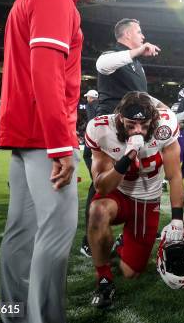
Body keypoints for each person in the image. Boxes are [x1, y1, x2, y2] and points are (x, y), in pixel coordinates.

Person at [0, 0, 111, 323]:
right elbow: (45, 73)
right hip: (43, 136)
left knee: (21, 233)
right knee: (57, 231)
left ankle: (13, 316)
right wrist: (61, 144)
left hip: (23, 132)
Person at [85, 92, 184, 308]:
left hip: (147, 198)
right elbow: (101, 186)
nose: (138, 130)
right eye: (131, 124)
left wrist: (177, 219)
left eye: (144, 124)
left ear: (154, 119)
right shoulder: (100, 128)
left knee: (131, 272)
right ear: (119, 117)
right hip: (117, 192)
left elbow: (175, 175)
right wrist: (128, 156)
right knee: (97, 210)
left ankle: (121, 244)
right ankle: (104, 279)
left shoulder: (165, 125)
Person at [95, 19, 161, 116]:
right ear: (128, 34)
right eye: (139, 32)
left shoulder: (136, 62)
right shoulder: (113, 54)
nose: (143, 36)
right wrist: (138, 51)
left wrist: (159, 105)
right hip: (112, 123)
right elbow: (101, 65)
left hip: (134, 123)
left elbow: (138, 93)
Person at [80, 88, 99, 257]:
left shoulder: (92, 106)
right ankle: (89, 240)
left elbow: (93, 123)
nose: (87, 99)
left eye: (88, 97)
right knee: (98, 187)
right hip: (97, 145)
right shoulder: (97, 105)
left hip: (95, 143)